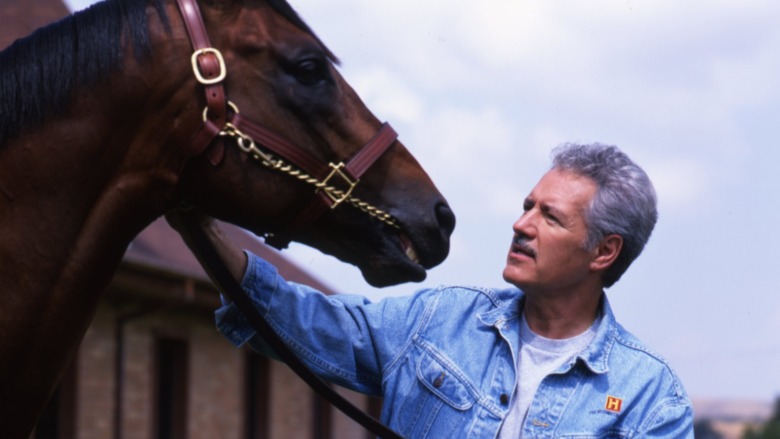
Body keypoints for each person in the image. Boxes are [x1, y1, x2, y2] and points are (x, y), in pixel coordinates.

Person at [173, 143, 694, 438]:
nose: (520, 223)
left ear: (604, 252)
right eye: (527, 205)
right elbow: (300, 322)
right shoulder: (439, 320)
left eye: (549, 217)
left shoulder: (649, 397)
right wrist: (198, 226)